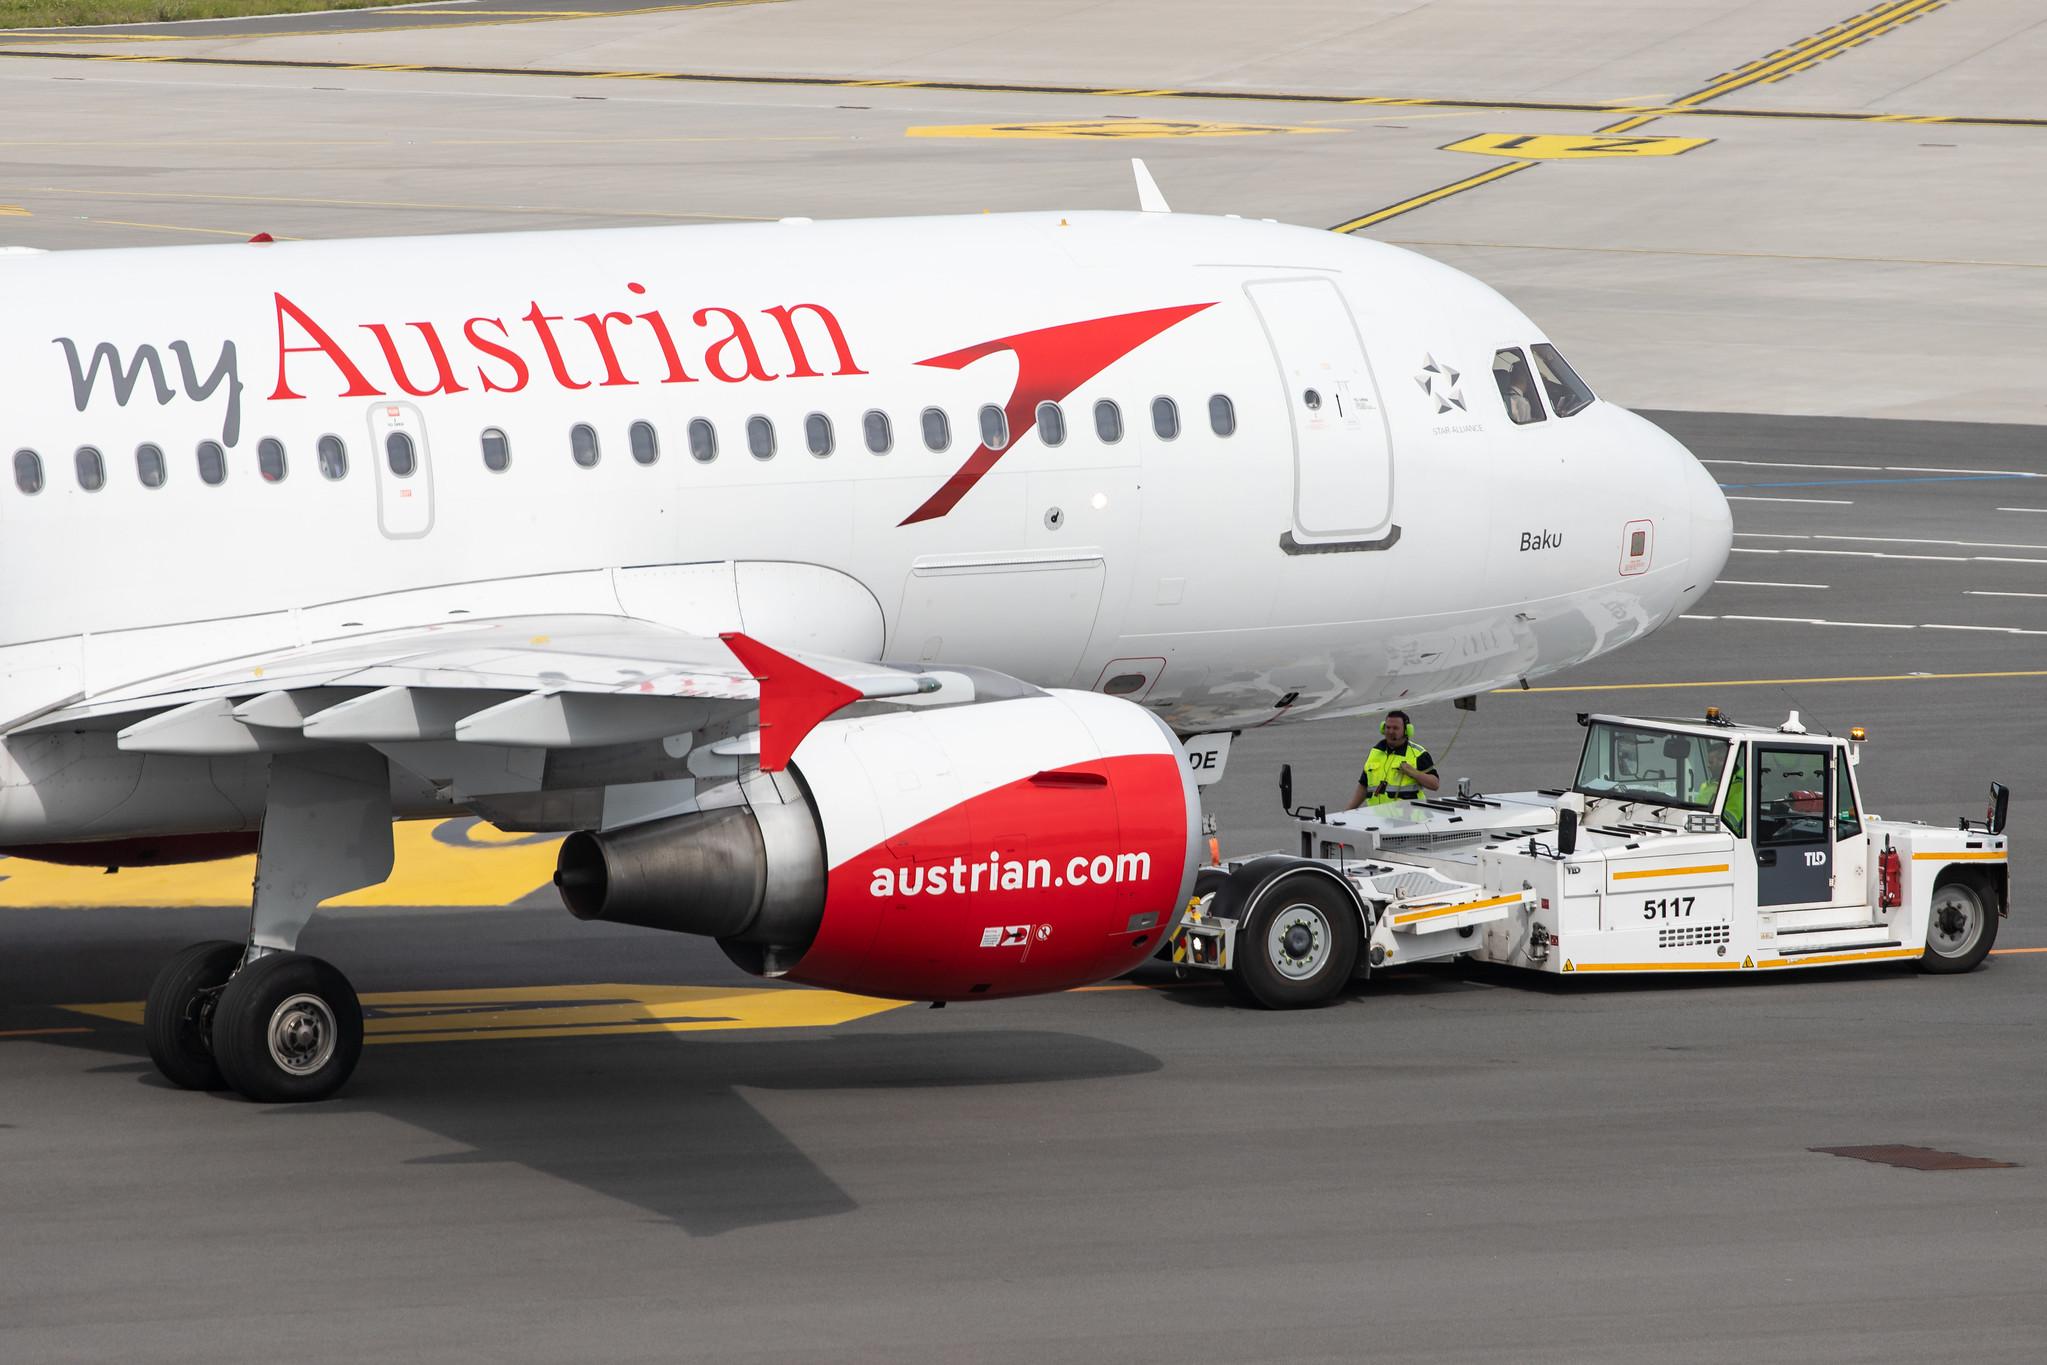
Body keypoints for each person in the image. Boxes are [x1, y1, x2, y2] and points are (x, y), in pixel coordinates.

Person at [1346, 710, 1441, 809]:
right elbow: (1364, 785)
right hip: (1377, 818)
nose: (1390, 732)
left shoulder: (1418, 754)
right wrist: (1346, 813)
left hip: (1409, 821)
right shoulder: (1375, 752)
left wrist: (1413, 772)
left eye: (1395, 728)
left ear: (1406, 730)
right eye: (1388, 727)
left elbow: (1435, 784)